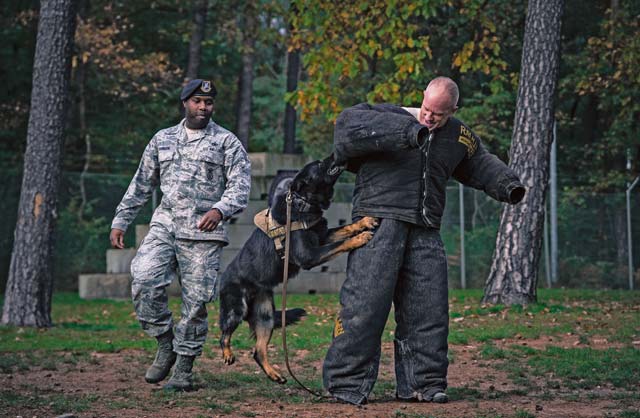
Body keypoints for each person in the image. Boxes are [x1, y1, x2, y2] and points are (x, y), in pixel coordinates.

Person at [322, 76, 525, 404]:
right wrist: (406, 132)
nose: (430, 118)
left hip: (426, 228)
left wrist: (507, 184)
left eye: (439, 114)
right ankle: (345, 385)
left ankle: (424, 384)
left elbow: (479, 162)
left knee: (428, 310)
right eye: (427, 110)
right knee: (364, 306)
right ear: (422, 100)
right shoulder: (387, 116)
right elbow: (346, 127)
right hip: (378, 222)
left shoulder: (457, 135)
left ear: (453, 110)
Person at [109, 79, 251, 391]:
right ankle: (164, 342)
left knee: (197, 302)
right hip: (166, 226)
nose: (203, 107)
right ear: (184, 102)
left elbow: (240, 186)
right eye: (197, 101)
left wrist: (220, 210)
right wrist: (121, 219)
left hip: (203, 233)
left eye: (209, 103)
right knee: (144, 278)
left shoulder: (226, 142)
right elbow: (142, 182)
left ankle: (184, 369)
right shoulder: (162, 140)